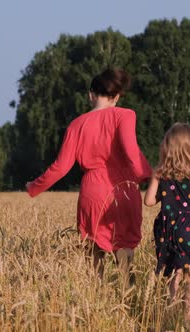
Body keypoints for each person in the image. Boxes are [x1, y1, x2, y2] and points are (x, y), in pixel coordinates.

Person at [26, 68, 152, 278]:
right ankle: (126, 297)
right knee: (124, 249)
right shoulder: (126, 115)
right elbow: (131, 151)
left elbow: (61, 167)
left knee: (93, 254)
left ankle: (96, 299)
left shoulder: (76, 125)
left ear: (91, 94)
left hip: (93, 192)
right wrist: (148, 175)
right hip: (124, 190)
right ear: (117, 97)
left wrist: (34, 186)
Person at [144, 122, 190, 323]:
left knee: (173, 269)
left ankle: (171, 310)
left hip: (165, 229)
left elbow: (149, 201)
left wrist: (155, 178)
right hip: (187, 229)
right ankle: (187, 316)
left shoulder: (161, 174)